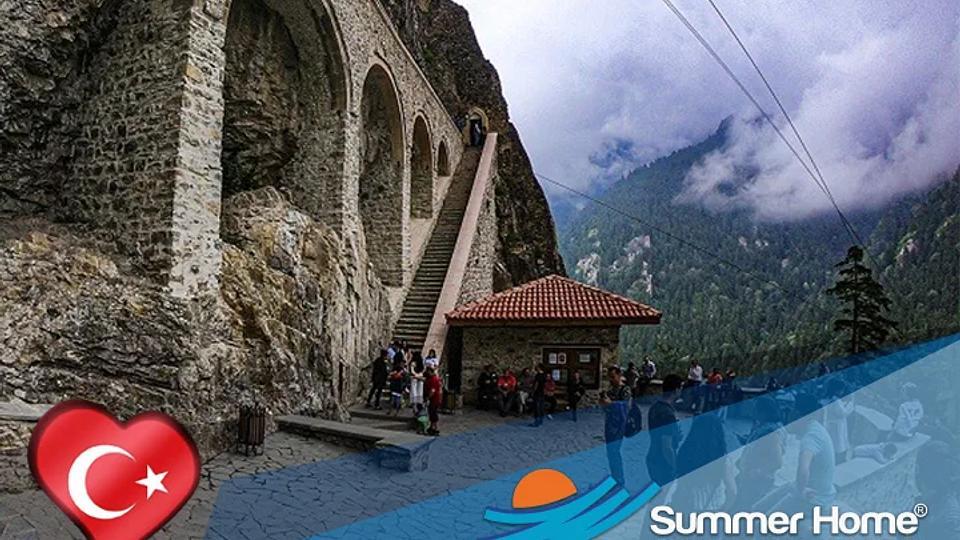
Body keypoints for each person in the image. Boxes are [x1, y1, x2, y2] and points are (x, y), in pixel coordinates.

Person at [674, 413, 737, 510]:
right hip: (713, 510)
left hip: (688, 509)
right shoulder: (723, 459)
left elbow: (680, 486)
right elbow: (732, 491)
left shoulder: (685, 454)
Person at [734, 396, 786, 508]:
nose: (753, 412)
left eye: (756, 409)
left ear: (764, 412)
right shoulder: (763, 427)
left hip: (757, 481)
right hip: (749, 477)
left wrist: (756, 472)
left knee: (747, 509)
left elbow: (777, 461)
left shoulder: (771, 433)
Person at [792, 392, 836, 508]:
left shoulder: (810, 437)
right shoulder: (816, 428)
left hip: (815, 498)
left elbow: (803, 470)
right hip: (822, 491)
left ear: (797, 414)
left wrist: (800, 491)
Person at [647, 374, 683, 487]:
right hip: (662, 462)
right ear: (676, 389)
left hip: (652, 455)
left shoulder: (655, 407)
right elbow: (666, 446)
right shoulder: (668, 414)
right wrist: (675, 466)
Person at [600, 366, 632, 486]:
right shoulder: (610, 391)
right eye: (610, 377)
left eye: (613, 377)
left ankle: (619, 480)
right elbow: (606, 408)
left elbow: (626, 406)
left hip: (619, 425)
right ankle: (615, 477)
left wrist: (611, 404)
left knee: (614, 451)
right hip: (609, 424)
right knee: (611, 452)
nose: (611, 380)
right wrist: (604, 404)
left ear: (619, 375)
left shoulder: (625, 390)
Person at [823, 379, 854, 464]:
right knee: (838, 445)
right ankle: (838, 461)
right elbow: (843, 413)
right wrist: (851, 404)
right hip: (837, 425)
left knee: (834, 443)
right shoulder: (836, 401)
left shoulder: (828, 398)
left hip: (831, 424)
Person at [425, 367, 443, 436]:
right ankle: (432, 426)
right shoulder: (433, 379)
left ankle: (434, 428)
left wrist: (428, 398)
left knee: (433, 413)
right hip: (435, 399)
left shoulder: (434, 379)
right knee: (432, 413)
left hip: (434, 399)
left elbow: (433, 390)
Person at [409, 351, 426, 415]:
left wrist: (416, 375)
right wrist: (419, 375)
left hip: (414, 379)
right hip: (420, 379)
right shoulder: (421, 363)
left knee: (414, 393)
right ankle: (419, 406)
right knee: (419, 393)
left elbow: (412, 371)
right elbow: (423, 371)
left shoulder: (413, 363)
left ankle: (415, 407)